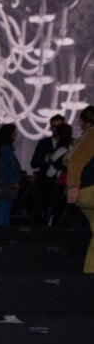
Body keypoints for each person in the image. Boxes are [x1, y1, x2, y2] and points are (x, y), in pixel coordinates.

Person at [67, 105, 94, 272]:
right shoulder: (92, 135)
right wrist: (73, 186)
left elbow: (72, 158)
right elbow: (75, 160)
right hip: (87, 189)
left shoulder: (88, 135)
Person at [31, 113, 65, 222]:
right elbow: (34, 163)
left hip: (62, 186)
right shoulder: (43, 143)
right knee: (41, 215)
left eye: (59, 127)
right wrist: (46, 158)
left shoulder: (69, 144)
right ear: (50, 127)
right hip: (45, 185)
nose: (57, 130)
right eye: (54, 127)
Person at [0, 123, 21, 226]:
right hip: (4, 189)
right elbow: (4, 170)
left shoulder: (4, 150)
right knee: (2, 218)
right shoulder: (5, 150)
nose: (16, 135)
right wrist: (13, 182)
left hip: (3, 190)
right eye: (14, 133)